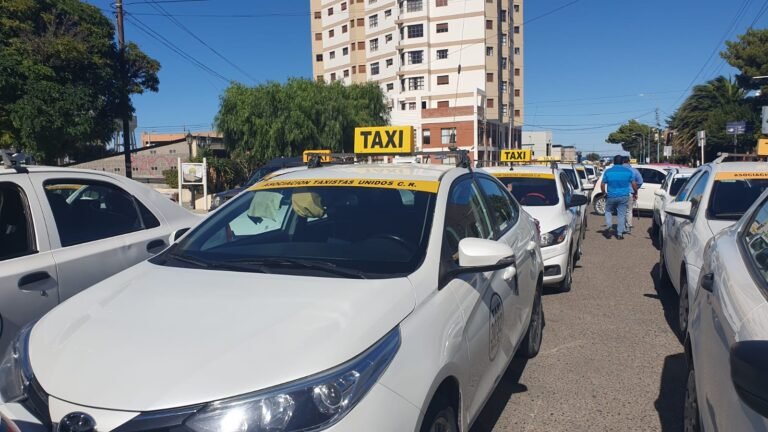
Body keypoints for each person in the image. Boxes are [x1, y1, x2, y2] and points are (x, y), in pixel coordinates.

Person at [601, 155, 638, 239]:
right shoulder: (628, 172)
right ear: (622, 162)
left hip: (611, 195)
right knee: (621, 215)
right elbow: (634, 184)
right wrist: (635, 192)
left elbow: (602, 184)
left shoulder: (608, 171)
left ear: (614, 162)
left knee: (608, 211)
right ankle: (619, 234)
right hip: (624, 196)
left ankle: (609, 226)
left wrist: (604, 193)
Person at [622, 156, 643, 233]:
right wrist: (635, 190)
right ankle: (628, 227)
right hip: (630, 193)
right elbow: (640, 181)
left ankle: (621, 226)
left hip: (619, 193)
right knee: (629, 210)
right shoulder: (634, 171)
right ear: (629, 162)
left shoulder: (618, 171)